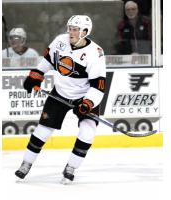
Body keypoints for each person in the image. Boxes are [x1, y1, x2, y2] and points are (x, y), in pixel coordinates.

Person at [14, 15, 106, 184]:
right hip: (60, 92)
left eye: (75, 29)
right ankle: (26, 164)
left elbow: (98, 86)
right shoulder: (59, 41)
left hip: (84, 96)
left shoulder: (95, 53)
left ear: (85, 32)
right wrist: (36, 75)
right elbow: (48, 61)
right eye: (70, 28)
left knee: (88, 132)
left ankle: (71, 167)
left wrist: (87, 103)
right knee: (42, 130)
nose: (71, 32)